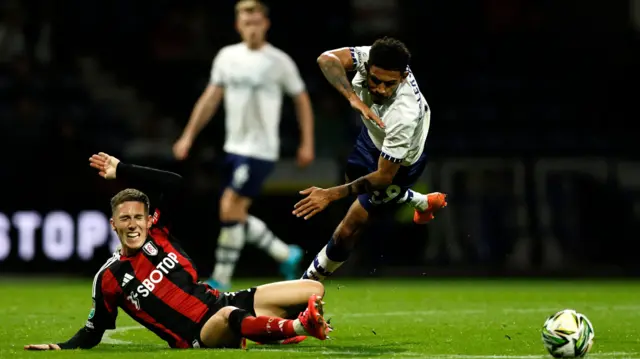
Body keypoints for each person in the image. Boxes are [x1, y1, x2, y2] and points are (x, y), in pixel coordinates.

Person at [23, 152, 330, 351]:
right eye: (124, 219)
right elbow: (93, 331)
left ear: (148, 219)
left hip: (222, 301)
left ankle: (267, 329)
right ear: (113, 225)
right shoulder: (109, 277)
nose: (133, 225)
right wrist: (60, 347)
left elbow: (174, 183)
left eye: (138, 217)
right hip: (198, 334)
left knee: (313, 288)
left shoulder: (159, 233)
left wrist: (123, 169)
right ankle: (298, 326)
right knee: (230, 316)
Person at [172, 0, 314, 290]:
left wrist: (306, 142)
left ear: (266, 24)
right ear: (238, 25)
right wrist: (188, 135)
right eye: (246, 22)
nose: (251, 27)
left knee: (229, 206)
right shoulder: (227, 57)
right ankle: (285, 253)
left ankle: (222, 279)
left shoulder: (279, 61)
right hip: (234, 147)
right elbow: (210, 99)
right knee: (232, 212)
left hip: (260, 149)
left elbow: (301, 100)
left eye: (256, 21)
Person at [292, 37, 448, 281]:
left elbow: (383, 176)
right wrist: (353, 98)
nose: (381, 89)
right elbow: (326, 59)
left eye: (390, 84)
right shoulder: (367, 58)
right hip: (371, 138)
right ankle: (420, 201)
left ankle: (304, 286)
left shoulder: (403, 115)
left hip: (399, 164)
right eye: (376, 80)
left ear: (404, 77)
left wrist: (330, 194)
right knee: (352, 179)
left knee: (349, 227)